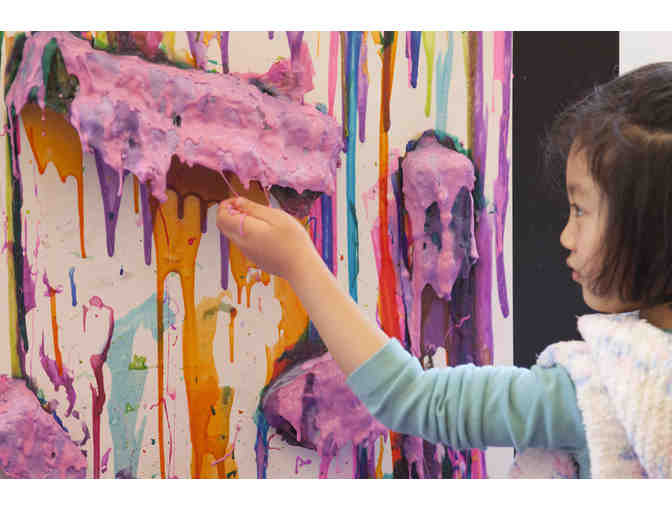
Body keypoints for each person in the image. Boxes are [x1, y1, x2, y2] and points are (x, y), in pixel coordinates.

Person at [216, 62, 672, 479]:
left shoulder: (603, 396)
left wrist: (298, 262)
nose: (566, 236)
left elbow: (411, 399)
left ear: (651, 228)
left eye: (581, 210)